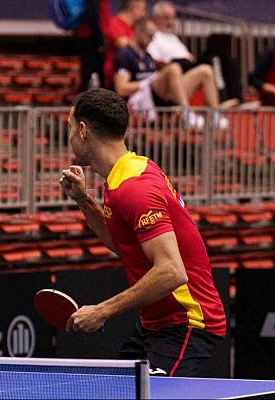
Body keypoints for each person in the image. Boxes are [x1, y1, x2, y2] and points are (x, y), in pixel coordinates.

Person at [59, 88, 226, 376]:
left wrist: (100, 311)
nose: (70, 136)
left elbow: (173, 271)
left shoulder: (134, 187)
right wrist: (84, 200)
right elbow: (121, 243)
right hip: (155, 322)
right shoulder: (125, 175)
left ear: (83, 130)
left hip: (187, 321)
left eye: (71, 127)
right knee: (119, 391)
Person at [114, 17, 219, 126]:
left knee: (205, 71)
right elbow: (121, 89)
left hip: (160, 98)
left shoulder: (148, 56)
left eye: (153, 36)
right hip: (141, 101)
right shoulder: (125, 55)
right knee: (173, 69)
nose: (152, 39)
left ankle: (215, 118)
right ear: (137, 31)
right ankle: (186, 114)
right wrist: (147, 82)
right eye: (149, 35)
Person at [148, 1, 240, 108]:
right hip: (166, 83)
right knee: (177, 68)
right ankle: (187, 113)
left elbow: (189, 57)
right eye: (166, 18)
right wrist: (175, 63)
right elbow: (153, 62)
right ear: (155, 18)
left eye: (172, 18)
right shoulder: (153, 37)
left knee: (208, 68)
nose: (170, 22)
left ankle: (216, 112)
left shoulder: (173, 38)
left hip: (183, 76)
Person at [104, 0, 147, 89]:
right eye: (143, 9)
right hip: (117, 74)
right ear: (132, 6)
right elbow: (123, 45)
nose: (144, 14)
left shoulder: (134, 28)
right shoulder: (114, 22)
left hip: (135, 73)